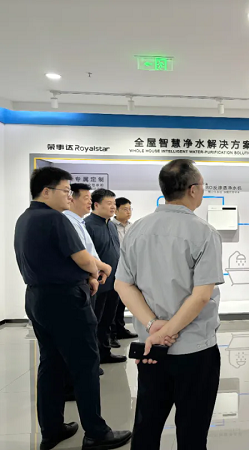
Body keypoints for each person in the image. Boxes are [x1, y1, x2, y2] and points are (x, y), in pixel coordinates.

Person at [14, 167, 131, 450]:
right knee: (85, 365)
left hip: (38, 298)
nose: (70, 196)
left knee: (51, 363)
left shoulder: (25, 218)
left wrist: (88, 273)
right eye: (66, 191)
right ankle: (96, 433)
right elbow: (84, 259)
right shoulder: (55, 219)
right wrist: (99, 269)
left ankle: (51, 429)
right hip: (66, 301)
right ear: (46, 191)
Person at [115, 159, 223, 450]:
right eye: (202, 186)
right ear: (192, 190)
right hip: (195, 349)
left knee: (147, 426)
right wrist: (167, 332)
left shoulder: (136, 230)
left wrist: (153, 327)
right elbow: (201, 296)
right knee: (192, 431)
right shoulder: (204, 232)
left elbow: (123, 285)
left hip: (151, 349)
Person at [63, 183, 113, 382]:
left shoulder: (79, 222)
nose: (89, 202)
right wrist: (102, 267)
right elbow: (82, 256)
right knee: (82, 332)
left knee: (94, 326)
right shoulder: (69, 222)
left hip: (92, 280)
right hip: (80, 283)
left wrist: (94, 274)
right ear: (72, 198)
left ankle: (90, 367)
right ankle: (80, 375)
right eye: (86, 198)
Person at [85, 189, 126, 364]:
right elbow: (86, 256)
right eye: (109, 203)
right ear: (96, 204)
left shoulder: (111, 225)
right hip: (98, 282)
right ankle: (93, 358)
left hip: (114, 281)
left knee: (108, 320)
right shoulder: (88, 225)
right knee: (96, 321)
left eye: (114, 204)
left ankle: (104, 353)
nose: (113, 207)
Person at [109, 197, 137, 348]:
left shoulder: (133, 227)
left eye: (130, 209)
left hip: (129, 268)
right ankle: (111, 334)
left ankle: (120, 329)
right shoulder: (111, 226)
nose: (128, 212)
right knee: (112, 304)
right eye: (125, 209)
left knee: (122, 301)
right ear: (116, 210)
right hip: (114, 268)